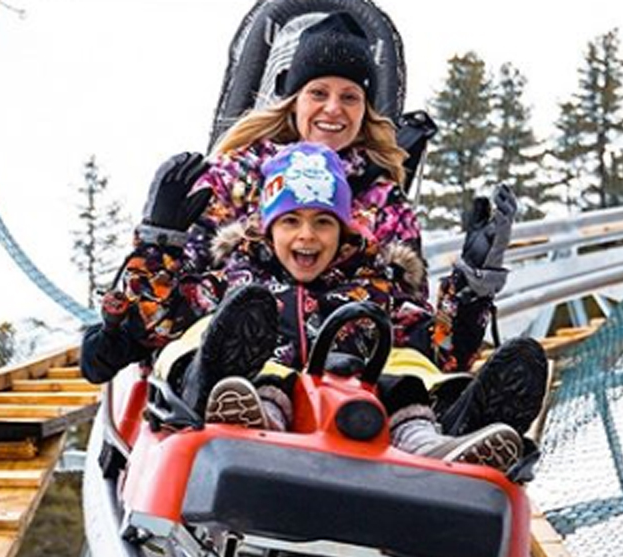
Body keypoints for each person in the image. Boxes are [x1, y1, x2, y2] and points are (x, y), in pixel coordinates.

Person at [80, 11, 546, 463]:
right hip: (252, 346)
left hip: (352, 377)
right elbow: (169, 308)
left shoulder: (384, 217)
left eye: (349, 97)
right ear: (294, 98)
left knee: (407, 364)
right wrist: (160, 243)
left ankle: (454, 430)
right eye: (318, 92)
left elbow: (423, 332)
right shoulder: (235, 185)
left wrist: (471, 284)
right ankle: (226, 394)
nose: (333, 109)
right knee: (231, 321)